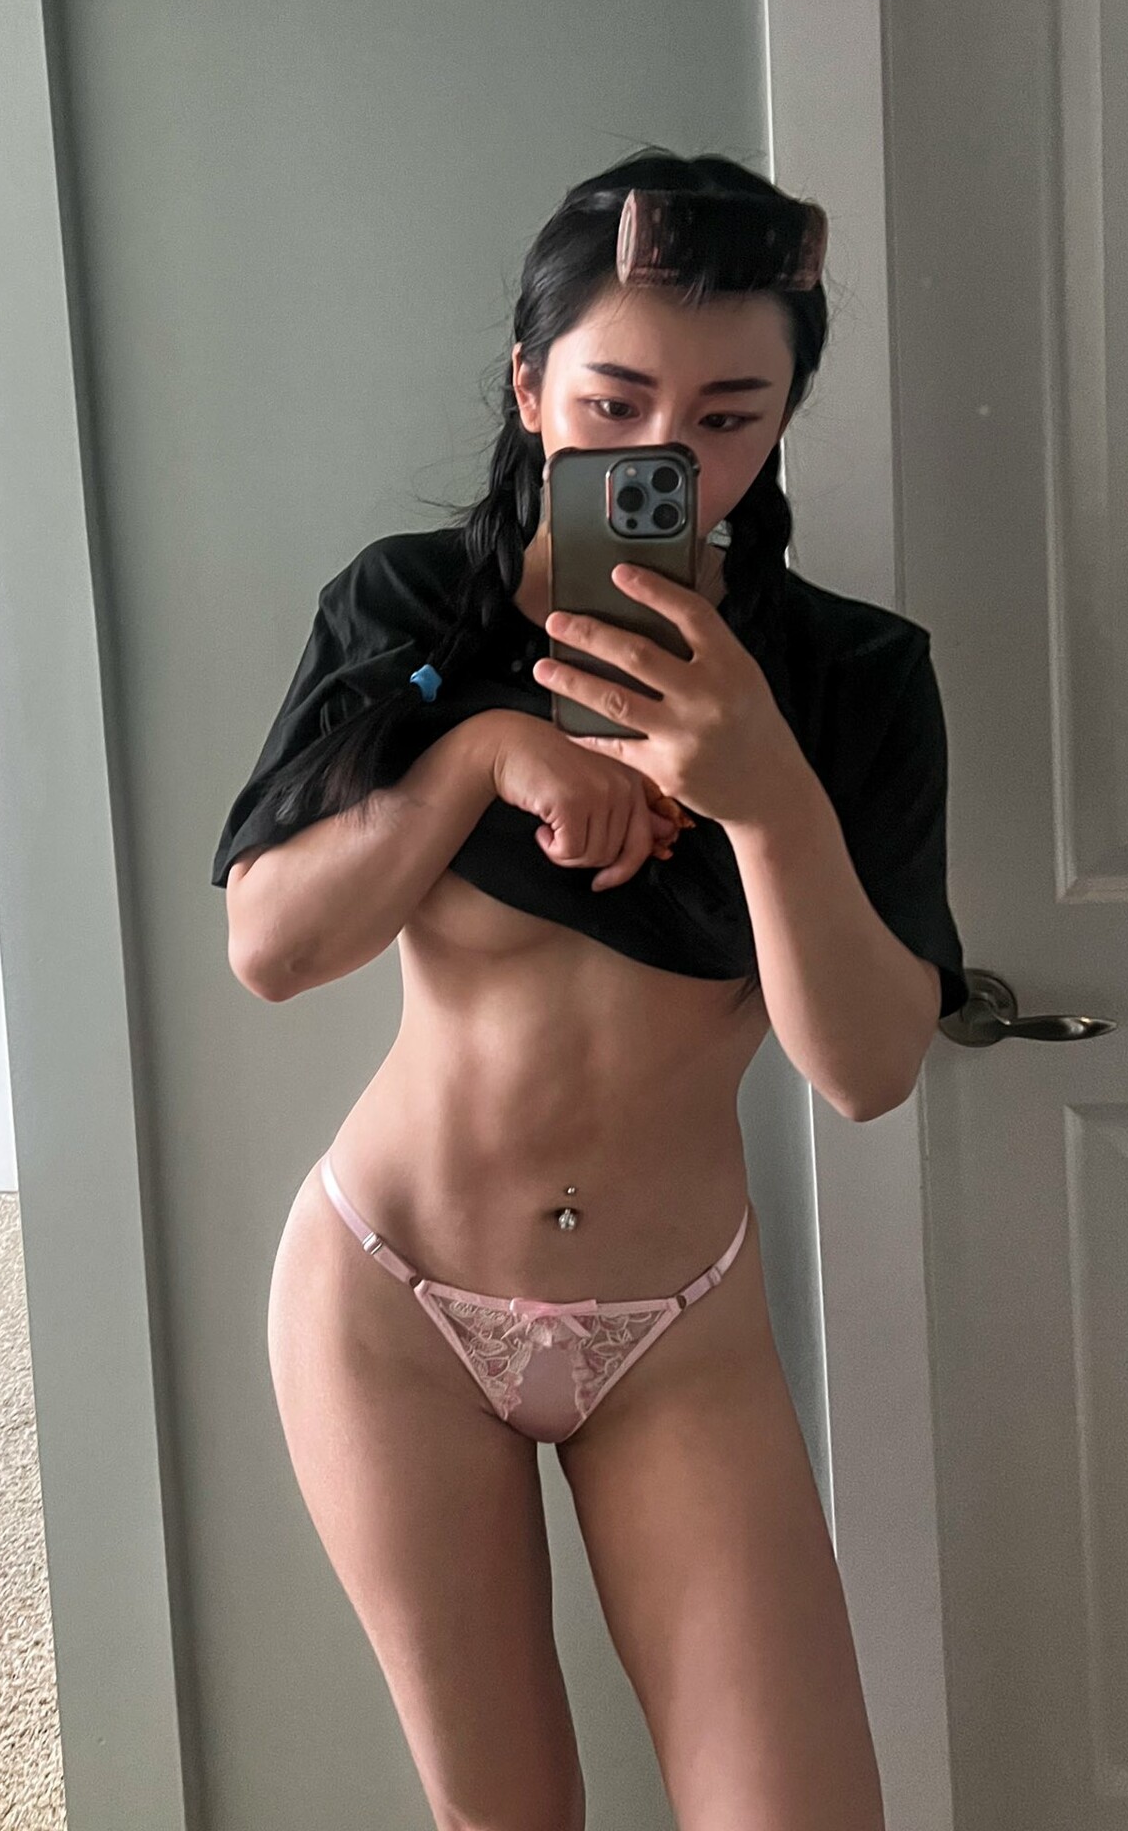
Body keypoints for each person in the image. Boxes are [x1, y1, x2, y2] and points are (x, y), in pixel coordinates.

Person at [212, 147, 967, 1831]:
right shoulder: (413, 614)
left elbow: (866, 1072)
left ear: (783, 422)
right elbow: (273, 948)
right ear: (528, 388)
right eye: (615, 401)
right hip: (391, 1299)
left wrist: (764, 792)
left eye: (727, 416)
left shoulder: (852, 677)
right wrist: (481, 752)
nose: (665, 454)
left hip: (676, 1331)